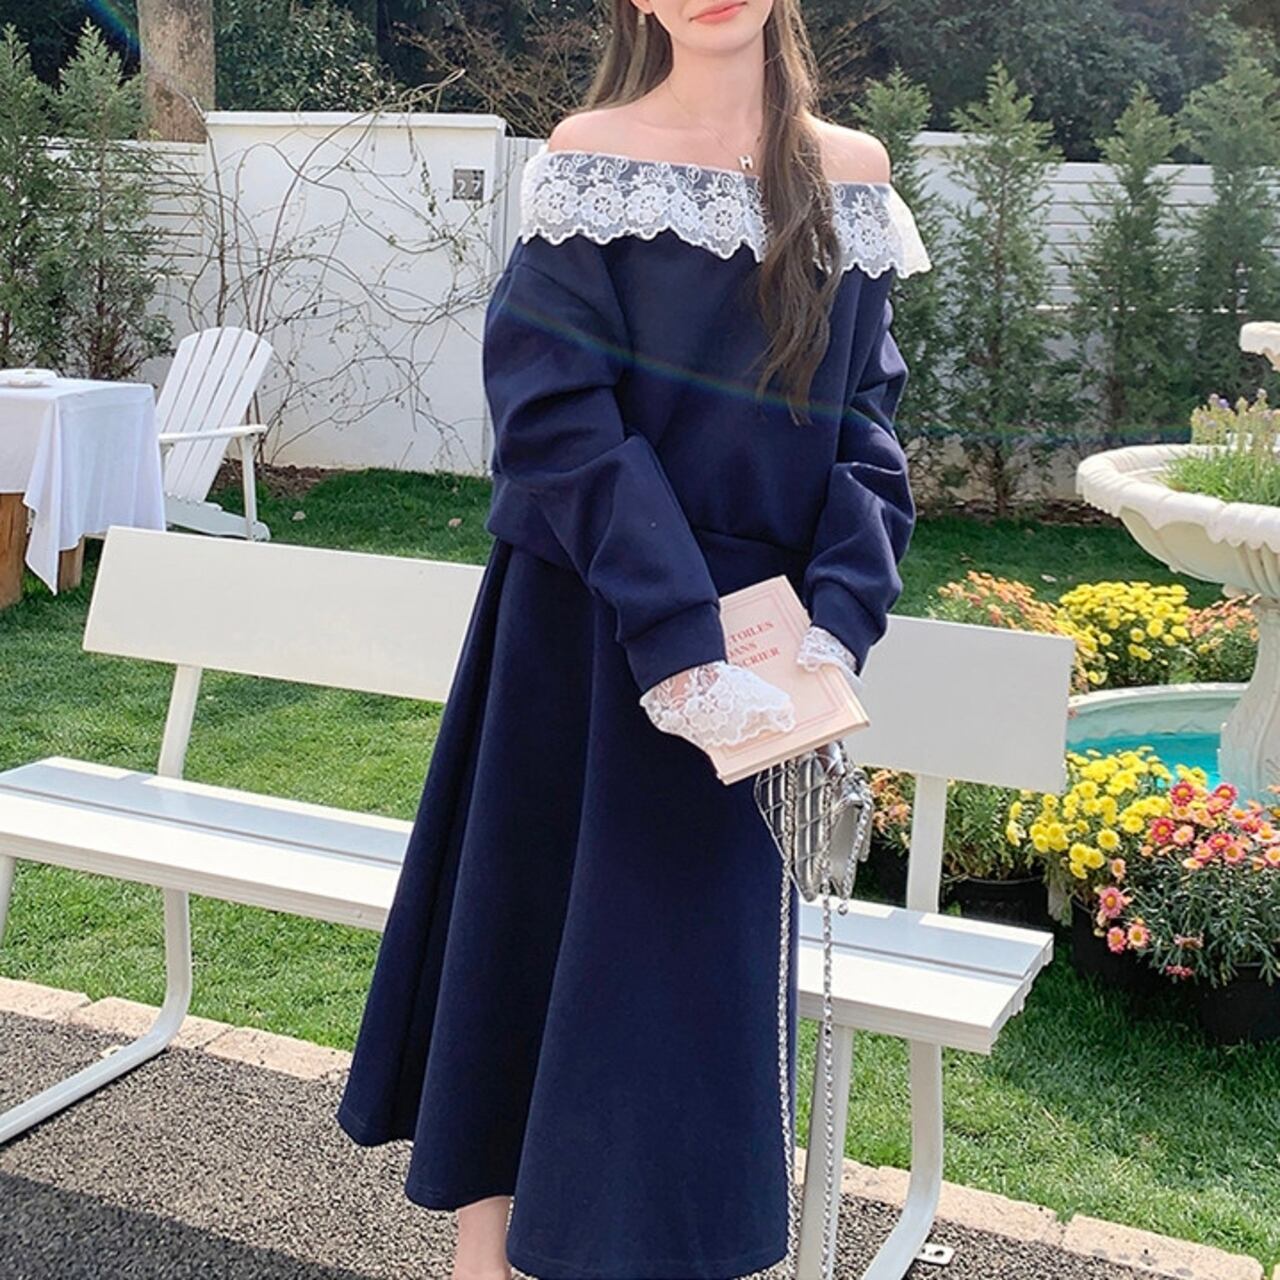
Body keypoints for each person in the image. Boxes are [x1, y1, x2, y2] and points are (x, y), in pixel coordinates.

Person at [334, 1, 932, 1276]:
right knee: (527, 950)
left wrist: (832, 631)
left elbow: (869, 433)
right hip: (580, 636)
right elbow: (549, 411)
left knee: (685, 1011)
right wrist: (676, 636)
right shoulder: (590, 154)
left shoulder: (851, 177)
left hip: (762, 669)